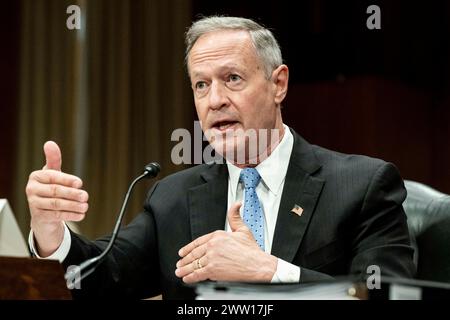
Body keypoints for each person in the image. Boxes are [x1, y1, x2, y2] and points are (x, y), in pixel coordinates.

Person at [26, 16, 415, 299]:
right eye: (201, 84)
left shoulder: (363, 186)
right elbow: (100, 276)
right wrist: (50, 233)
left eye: (232, 78)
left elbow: (387, 294)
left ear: (278, 84)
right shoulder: (173, 198)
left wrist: (269, 270)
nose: (215, 101)